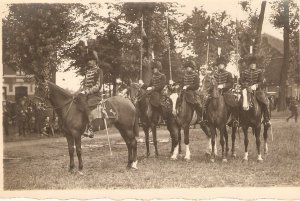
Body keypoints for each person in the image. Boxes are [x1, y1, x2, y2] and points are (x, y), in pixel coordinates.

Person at [76, 47, 103, 138]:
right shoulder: (87, 71)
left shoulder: (99, 71)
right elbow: (84, 85)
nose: (89, 62)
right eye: (88, 60)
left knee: (86, 105)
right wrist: (78, 92)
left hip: (96, 95)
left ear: (95, 61)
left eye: (91, 60)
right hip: (87, 94)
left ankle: (90, 129)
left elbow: (98, 86)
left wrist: (87, 91)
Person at [240, 55, 271, 126]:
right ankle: (238, 118)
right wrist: (246, 85)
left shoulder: (259, 71)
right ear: (249, 65)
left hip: (257, 91)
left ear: (256, 64)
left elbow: (261, 81)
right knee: (238, 102)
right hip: (247, 90)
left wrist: (256, 85)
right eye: (251, 64)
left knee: (265, 102)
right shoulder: (245, 72)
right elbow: (241, 81)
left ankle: (266, 119)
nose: (253, 65)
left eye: (254, 64)